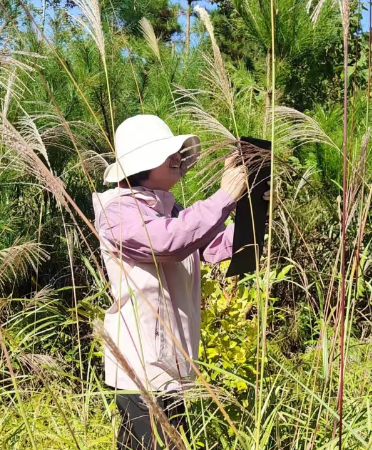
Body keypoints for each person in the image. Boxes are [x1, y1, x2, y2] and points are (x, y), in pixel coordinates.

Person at [92, 115, 269, 450]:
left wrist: (257, 213)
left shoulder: (169, 209)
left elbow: (211, 244)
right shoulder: (117, 212)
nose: (177, 158)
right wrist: (224, 197)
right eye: (166, 153)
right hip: (141, 364)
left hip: (170, 363)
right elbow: (167, 243)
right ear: (141, 164)